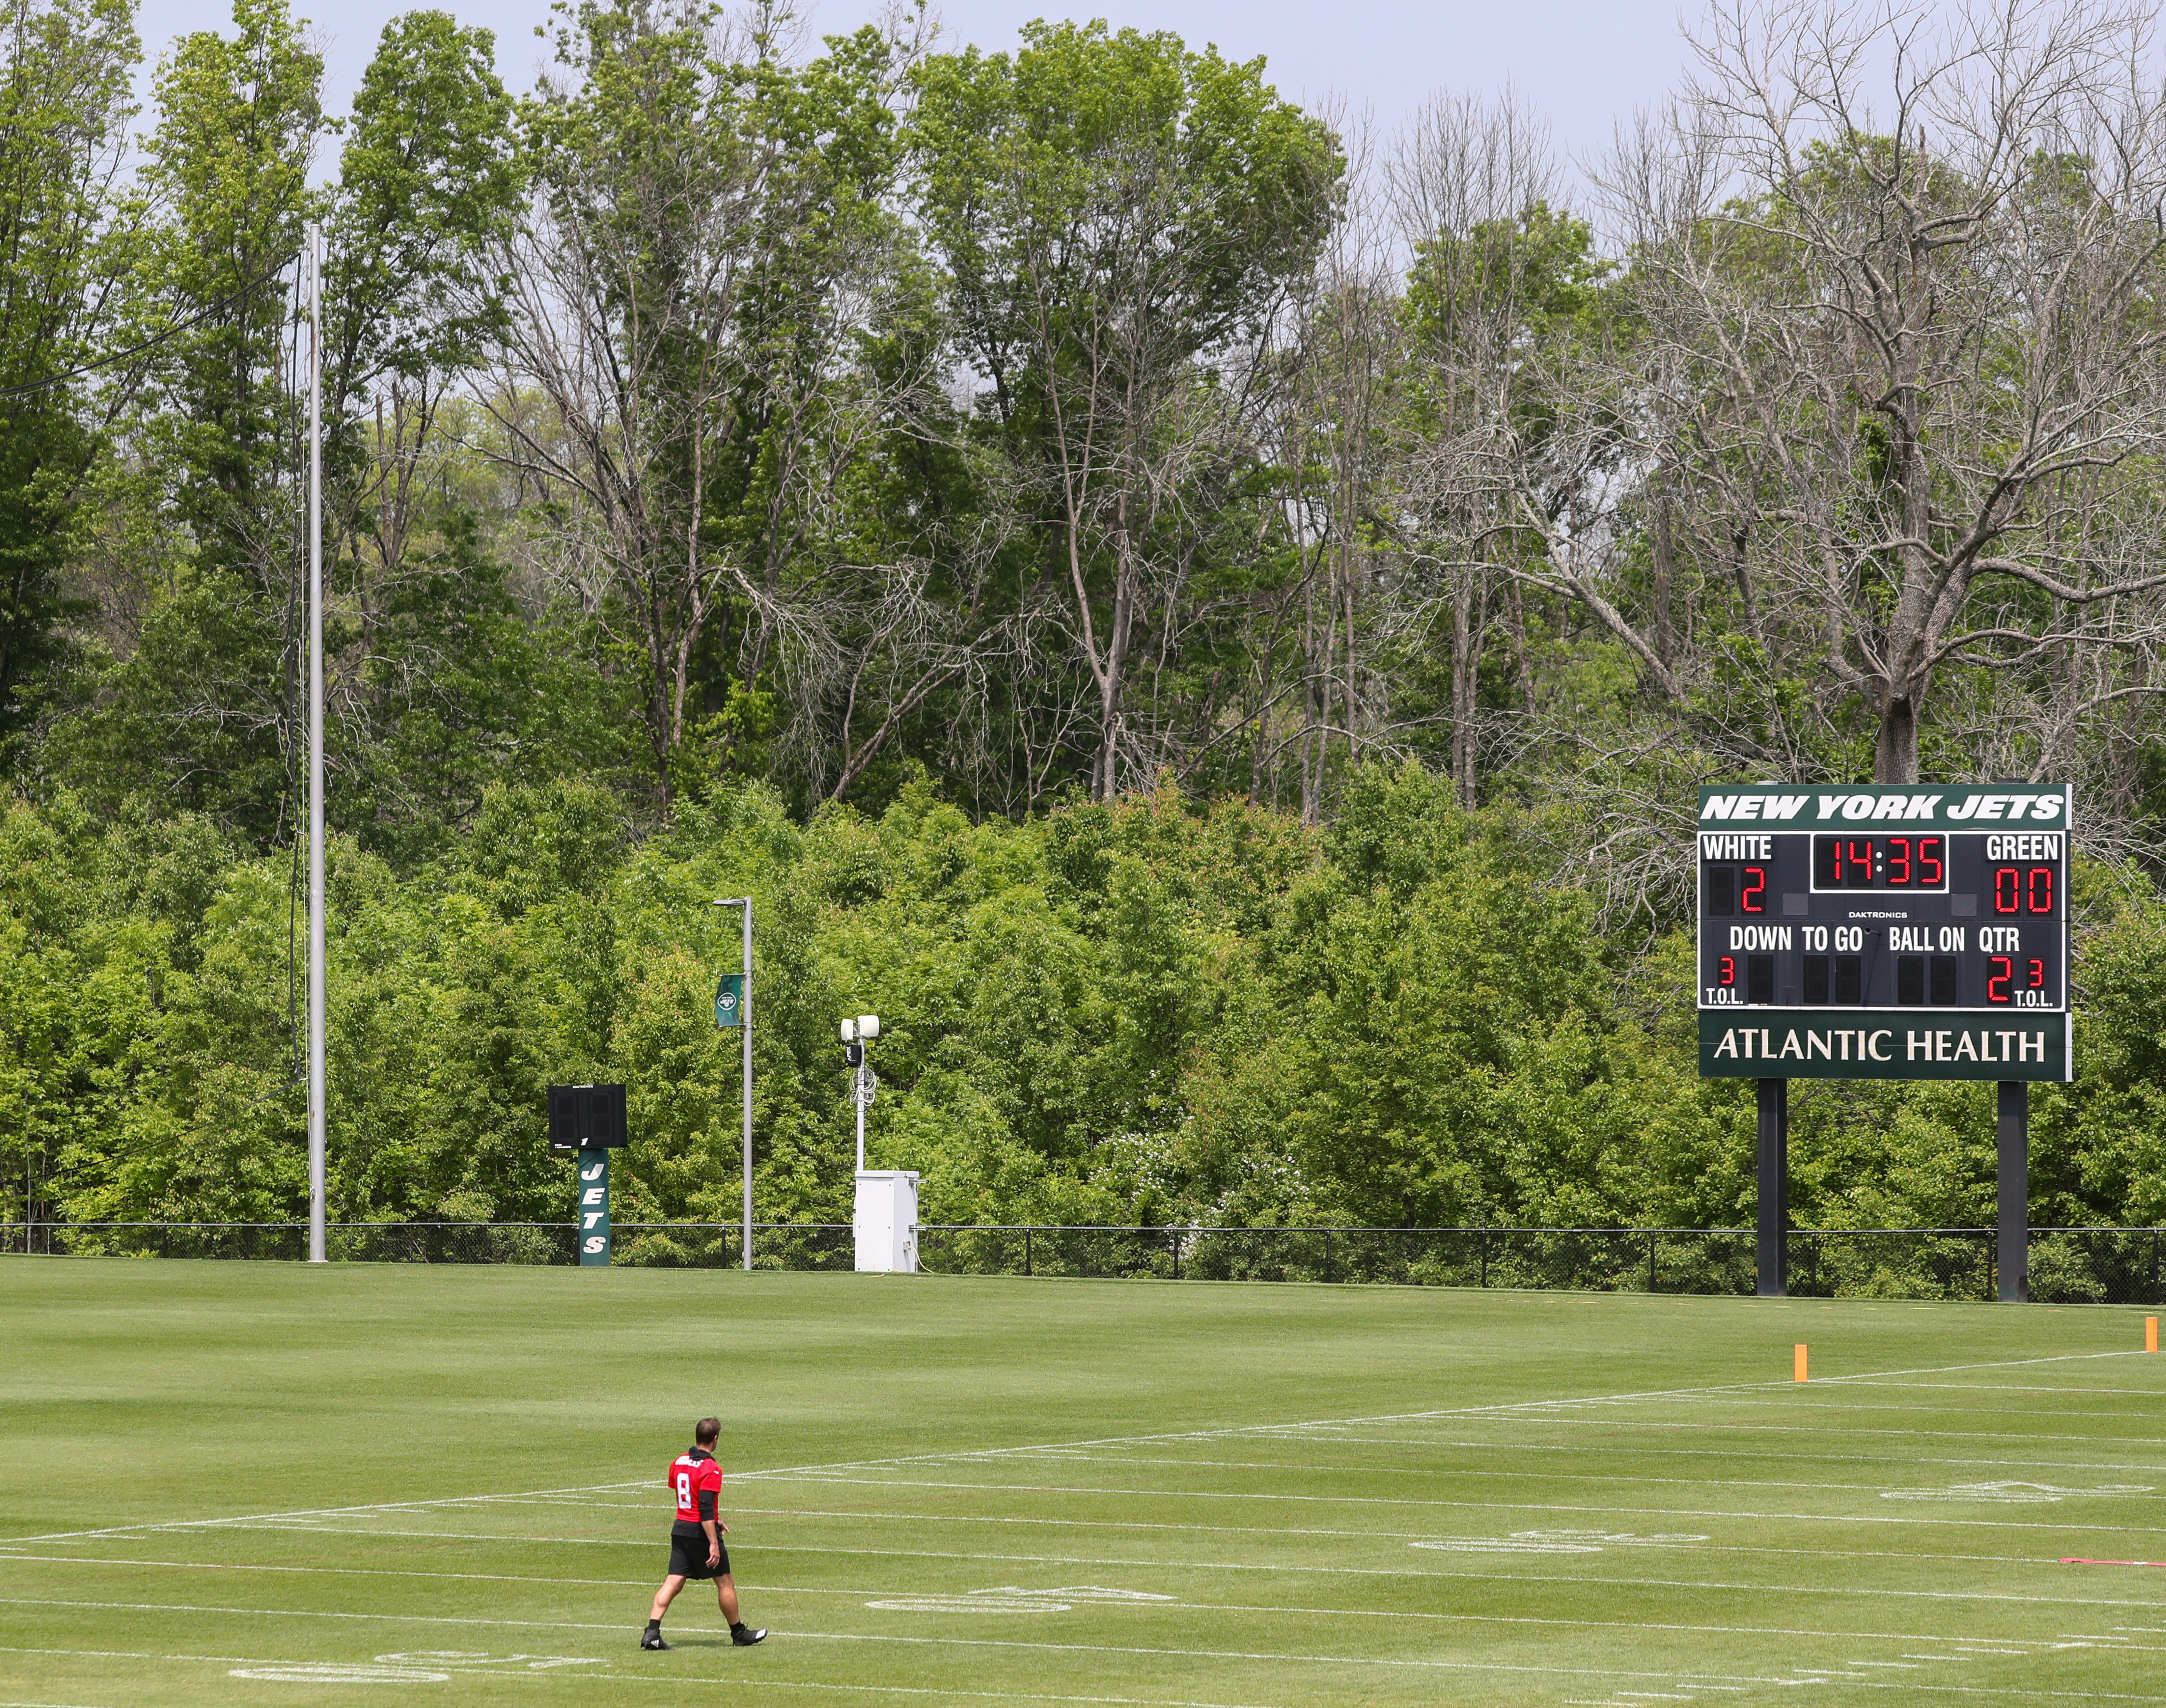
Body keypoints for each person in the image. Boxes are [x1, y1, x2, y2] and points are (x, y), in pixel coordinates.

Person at [641, 1416, 766, 1650]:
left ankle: (651, 1633)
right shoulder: (712, 1468)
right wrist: (713, 1542)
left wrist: (713, 1519)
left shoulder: (678, 1462)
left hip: (680, 1529)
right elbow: (705, 1507)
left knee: (673, 1581)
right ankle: (738, 1633)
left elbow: (685, 1496)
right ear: (715, 1439)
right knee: (725, 1583)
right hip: (700, 1532)